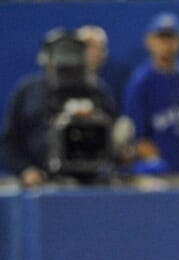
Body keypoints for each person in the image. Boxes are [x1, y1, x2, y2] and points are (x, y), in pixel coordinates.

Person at [1, 28, 119, 187]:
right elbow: (9, 141)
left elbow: (114, 137)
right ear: (45, 58)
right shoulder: (27, 92)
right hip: (40, 184)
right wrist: (25, 169)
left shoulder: (97, 91)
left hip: (91, 183)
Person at [123, 12, 179, 174]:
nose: (166, 45)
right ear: (149, 41)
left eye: (171, 38)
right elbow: (138, 136)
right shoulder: (140, 82)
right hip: (158, 175)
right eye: (161, 38)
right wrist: (157, 164)